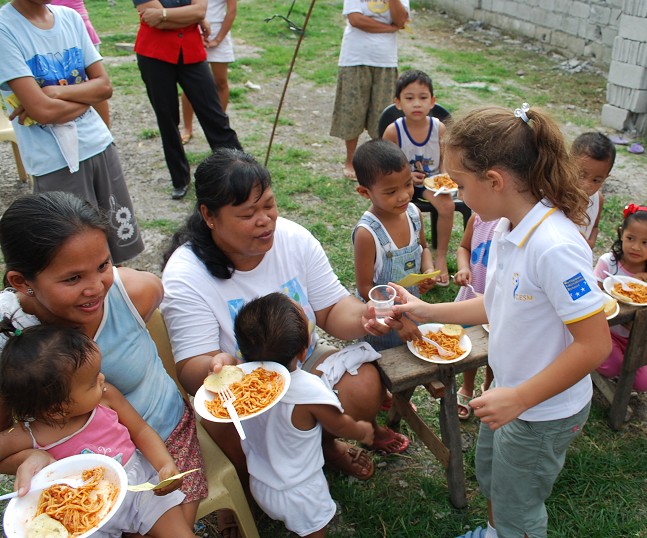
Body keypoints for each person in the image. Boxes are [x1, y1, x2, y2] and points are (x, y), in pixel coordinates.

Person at [389, 105, 612, 537]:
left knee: (519, 507)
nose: (456, 195)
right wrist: (425, 311)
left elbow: (595, 345)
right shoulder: (511, 226)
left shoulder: (554, 247)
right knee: (494, 478)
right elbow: (494, 305)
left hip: (540, 410)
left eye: (460, 184)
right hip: (511, 395)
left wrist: (522, 398)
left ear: (494, 181)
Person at [160, 148, 410, 484]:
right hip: (244, 390)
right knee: (225, 429)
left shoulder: (292, 239)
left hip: (301, 364)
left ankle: (324, 446)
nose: (265, 220)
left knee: (365, 385)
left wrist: (364, 315)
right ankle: (251, 489)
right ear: (209, 215)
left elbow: (332, 308)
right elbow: (189, 371)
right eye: (248, 214)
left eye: (268, 205)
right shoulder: (186, 274)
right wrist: (215, 364)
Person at [0, 191, 207, 528]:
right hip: (80, 471)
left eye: (103, 265)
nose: (96, 287)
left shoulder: (136, 293)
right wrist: (33, 456)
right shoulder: (7, 338)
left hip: (166, 438)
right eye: (73, 278)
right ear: (22, 283)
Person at [0, 325, 195, 538]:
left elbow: (141, 431)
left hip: (138, 486)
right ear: (58, 409)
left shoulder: (106, 398)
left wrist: (164, 463)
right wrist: (32, 456)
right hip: (81, 510)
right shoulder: (28, 435)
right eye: (93, 381)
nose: (102, 379)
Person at [0, 0, 144, 263]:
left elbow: (104, 88)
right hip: (55, 161)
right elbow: (43, 110)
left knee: (117, 248)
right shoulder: (5, 28)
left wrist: (53, 93)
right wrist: (82, 97)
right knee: (76, 257)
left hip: (99, 144)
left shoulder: (70, 18)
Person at [234, 294, 375, 537]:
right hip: (301, 492)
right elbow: (338, 425)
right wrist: (360, 431)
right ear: (302, 353)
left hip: (260, 481)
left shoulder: (240, 384)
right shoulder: (308, 389)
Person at [133, 0, 242, 200]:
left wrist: (167, 15)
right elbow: (152, 19)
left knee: (214, 115)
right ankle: (179, 179)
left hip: (192, 50)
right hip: (154, 54)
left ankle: (239, 172)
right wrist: (190, 17)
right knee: (167, 119)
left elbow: (199, 10)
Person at [353, 139, 436, 351]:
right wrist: (398, 320)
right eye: (390, 192)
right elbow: (365, 288)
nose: (403, 196)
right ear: (365, 192)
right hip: (383, 323)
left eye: (408, 184)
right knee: (386, 371)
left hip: (413, 311)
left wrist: (427, 272)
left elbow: (423, 248)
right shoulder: (367, 234)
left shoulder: (413, 213)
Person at [593, 204, 647, 392]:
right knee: (612, 367)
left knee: (645, 384)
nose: (635, 247)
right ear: (621, 233)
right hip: (604, 331)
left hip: (636, 336)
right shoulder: (608, 263)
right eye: (630, 238)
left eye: (645, 243)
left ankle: (620, 363)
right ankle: (595, 359)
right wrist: (627, 284)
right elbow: (594, 298)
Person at [383, 69, 453, 285]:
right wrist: (406, 177)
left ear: (432, 102)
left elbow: (445, 158)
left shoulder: (439, 128)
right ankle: (406, 253)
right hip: (402, 185)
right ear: (397, 102)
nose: (416, 104)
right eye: (409, 98)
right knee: (395, 208)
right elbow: (385, 164)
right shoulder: (393, 131)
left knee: (447, 206)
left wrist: (445, 177)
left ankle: (440, 254)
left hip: (432, 183)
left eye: (423, 98)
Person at [330, 0, 409, 180]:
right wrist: (389, 28)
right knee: (352, 111)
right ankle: (350, 160)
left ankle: (378, 162)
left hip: (385, 60)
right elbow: (356, 19)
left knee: (382, 115)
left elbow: (401, 20)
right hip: (355, 57)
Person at [452, 213, 498, 420]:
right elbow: (464, 247)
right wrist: (463, 267)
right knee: (468, 345)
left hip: (498, 302)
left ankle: (489, 386)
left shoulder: (518, 223)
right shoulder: (479, 218)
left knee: (495, 348)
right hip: (472, 294)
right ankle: (467, 387)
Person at [181, 0, 237, 144]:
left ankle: (219, 128)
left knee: (221, 81)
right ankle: (187, 128)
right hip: (193, 28)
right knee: (189, 83)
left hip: (219, 30)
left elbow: (231, 11)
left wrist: (218, 40)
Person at [51, 0, 111, 127]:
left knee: (90, 86)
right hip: (48, 29)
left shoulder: (70, 17)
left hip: (74, 29)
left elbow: (102, 89)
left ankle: (104, 134)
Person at [571, 132, 615, 249]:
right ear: (568, 164)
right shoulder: (554, 194)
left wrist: (591, 242)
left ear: (606, 178)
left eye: (596, 180)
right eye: (581, 175)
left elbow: (594, 227)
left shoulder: (597, 200)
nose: (586, 185)